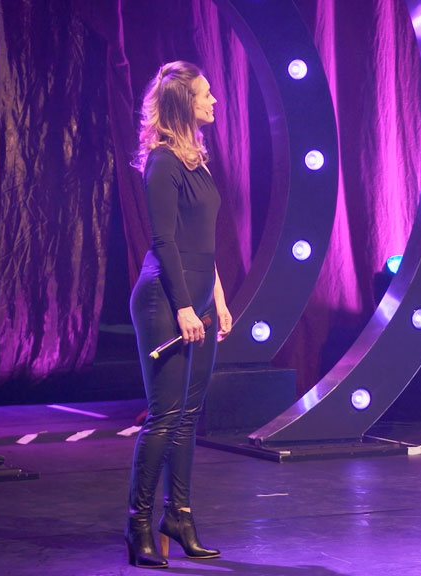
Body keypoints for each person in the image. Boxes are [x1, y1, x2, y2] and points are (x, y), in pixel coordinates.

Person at [125, 60, 232, 568]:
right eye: (205, 94)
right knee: (164, 416)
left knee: (189, 415)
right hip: (165, 300)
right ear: (183, 103)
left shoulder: (197, 161)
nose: (213, 101)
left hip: (199, 299)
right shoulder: (163, 162)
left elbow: (203, 244)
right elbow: (165, 241)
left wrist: (218, 300)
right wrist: (185, 305)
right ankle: (138, 525)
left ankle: (180, 517)